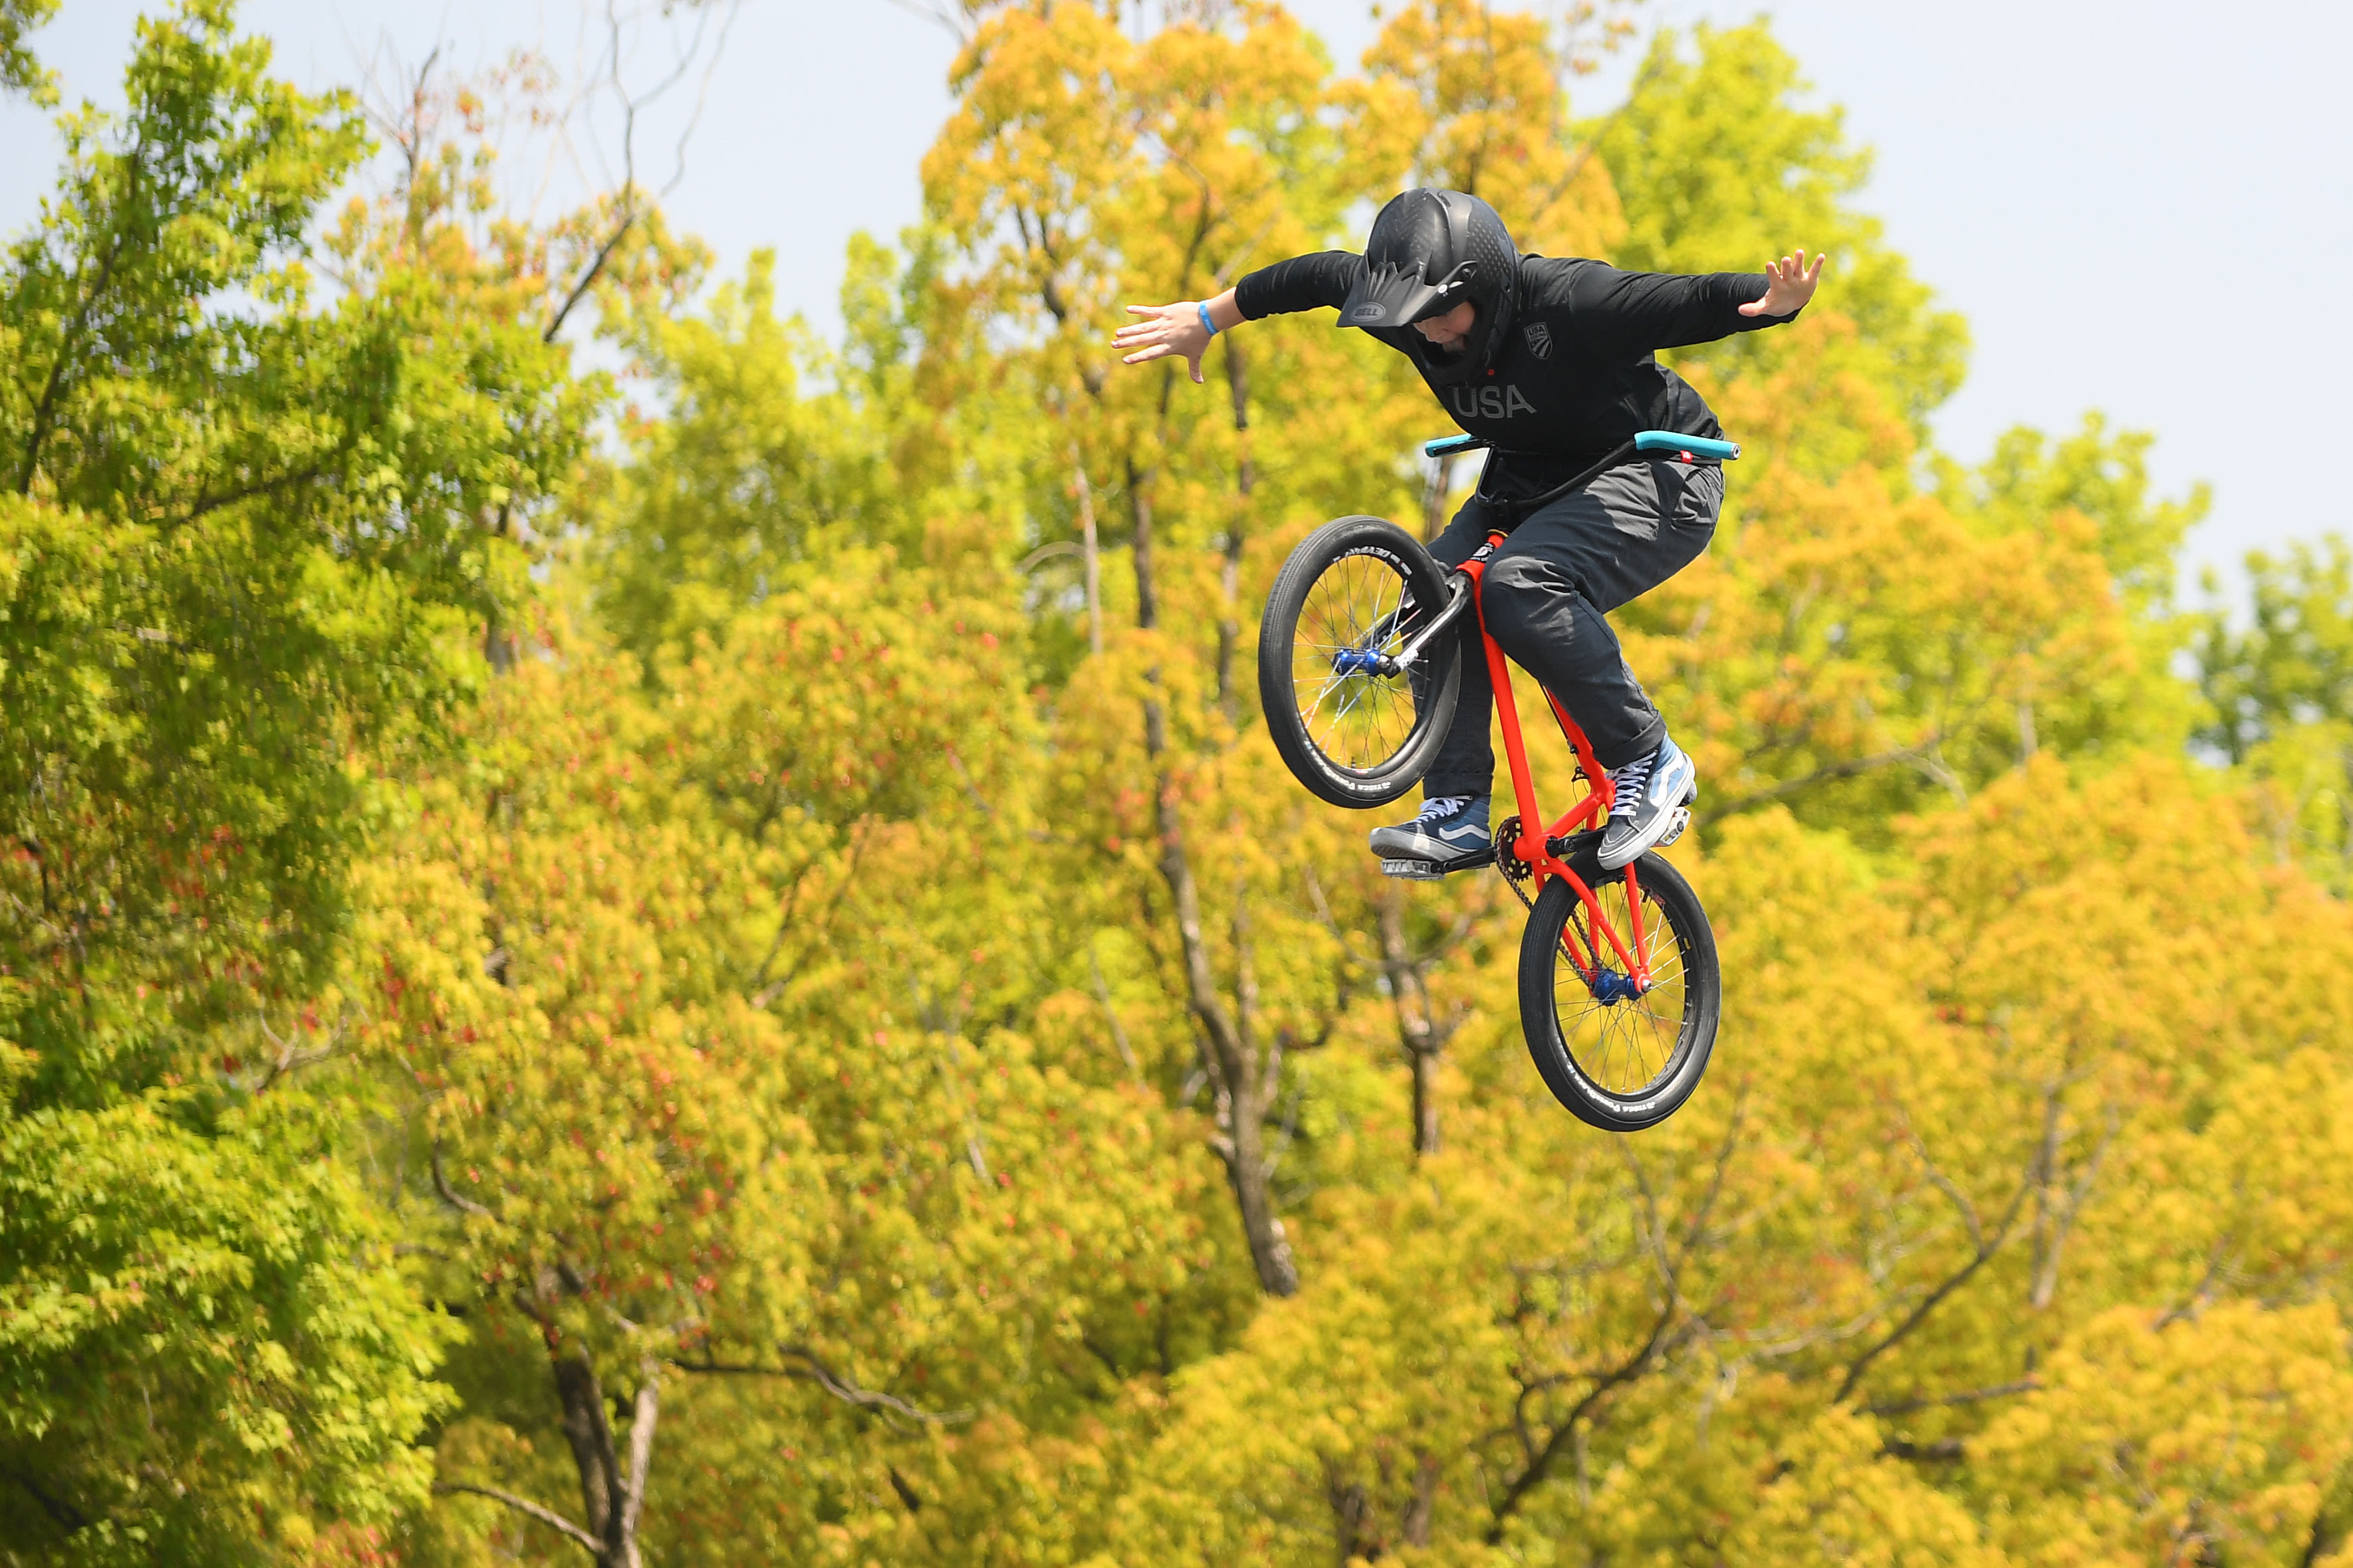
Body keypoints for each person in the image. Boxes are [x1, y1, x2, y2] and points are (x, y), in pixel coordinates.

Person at [1113, 187, 1821, 873]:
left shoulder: (1567, 300)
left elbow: (1676, 301)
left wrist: (1771, 305)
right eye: (1409, 315)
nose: (1423, 330)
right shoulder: (1402, 307)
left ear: (1484, 292)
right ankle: (1455, 810)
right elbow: (1308, 276)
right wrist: (1204, 320)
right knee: (1432, 598)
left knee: (1517, 586)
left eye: (1439, 314)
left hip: (1661, 469)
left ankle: (1647, 757)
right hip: (1530, 480)